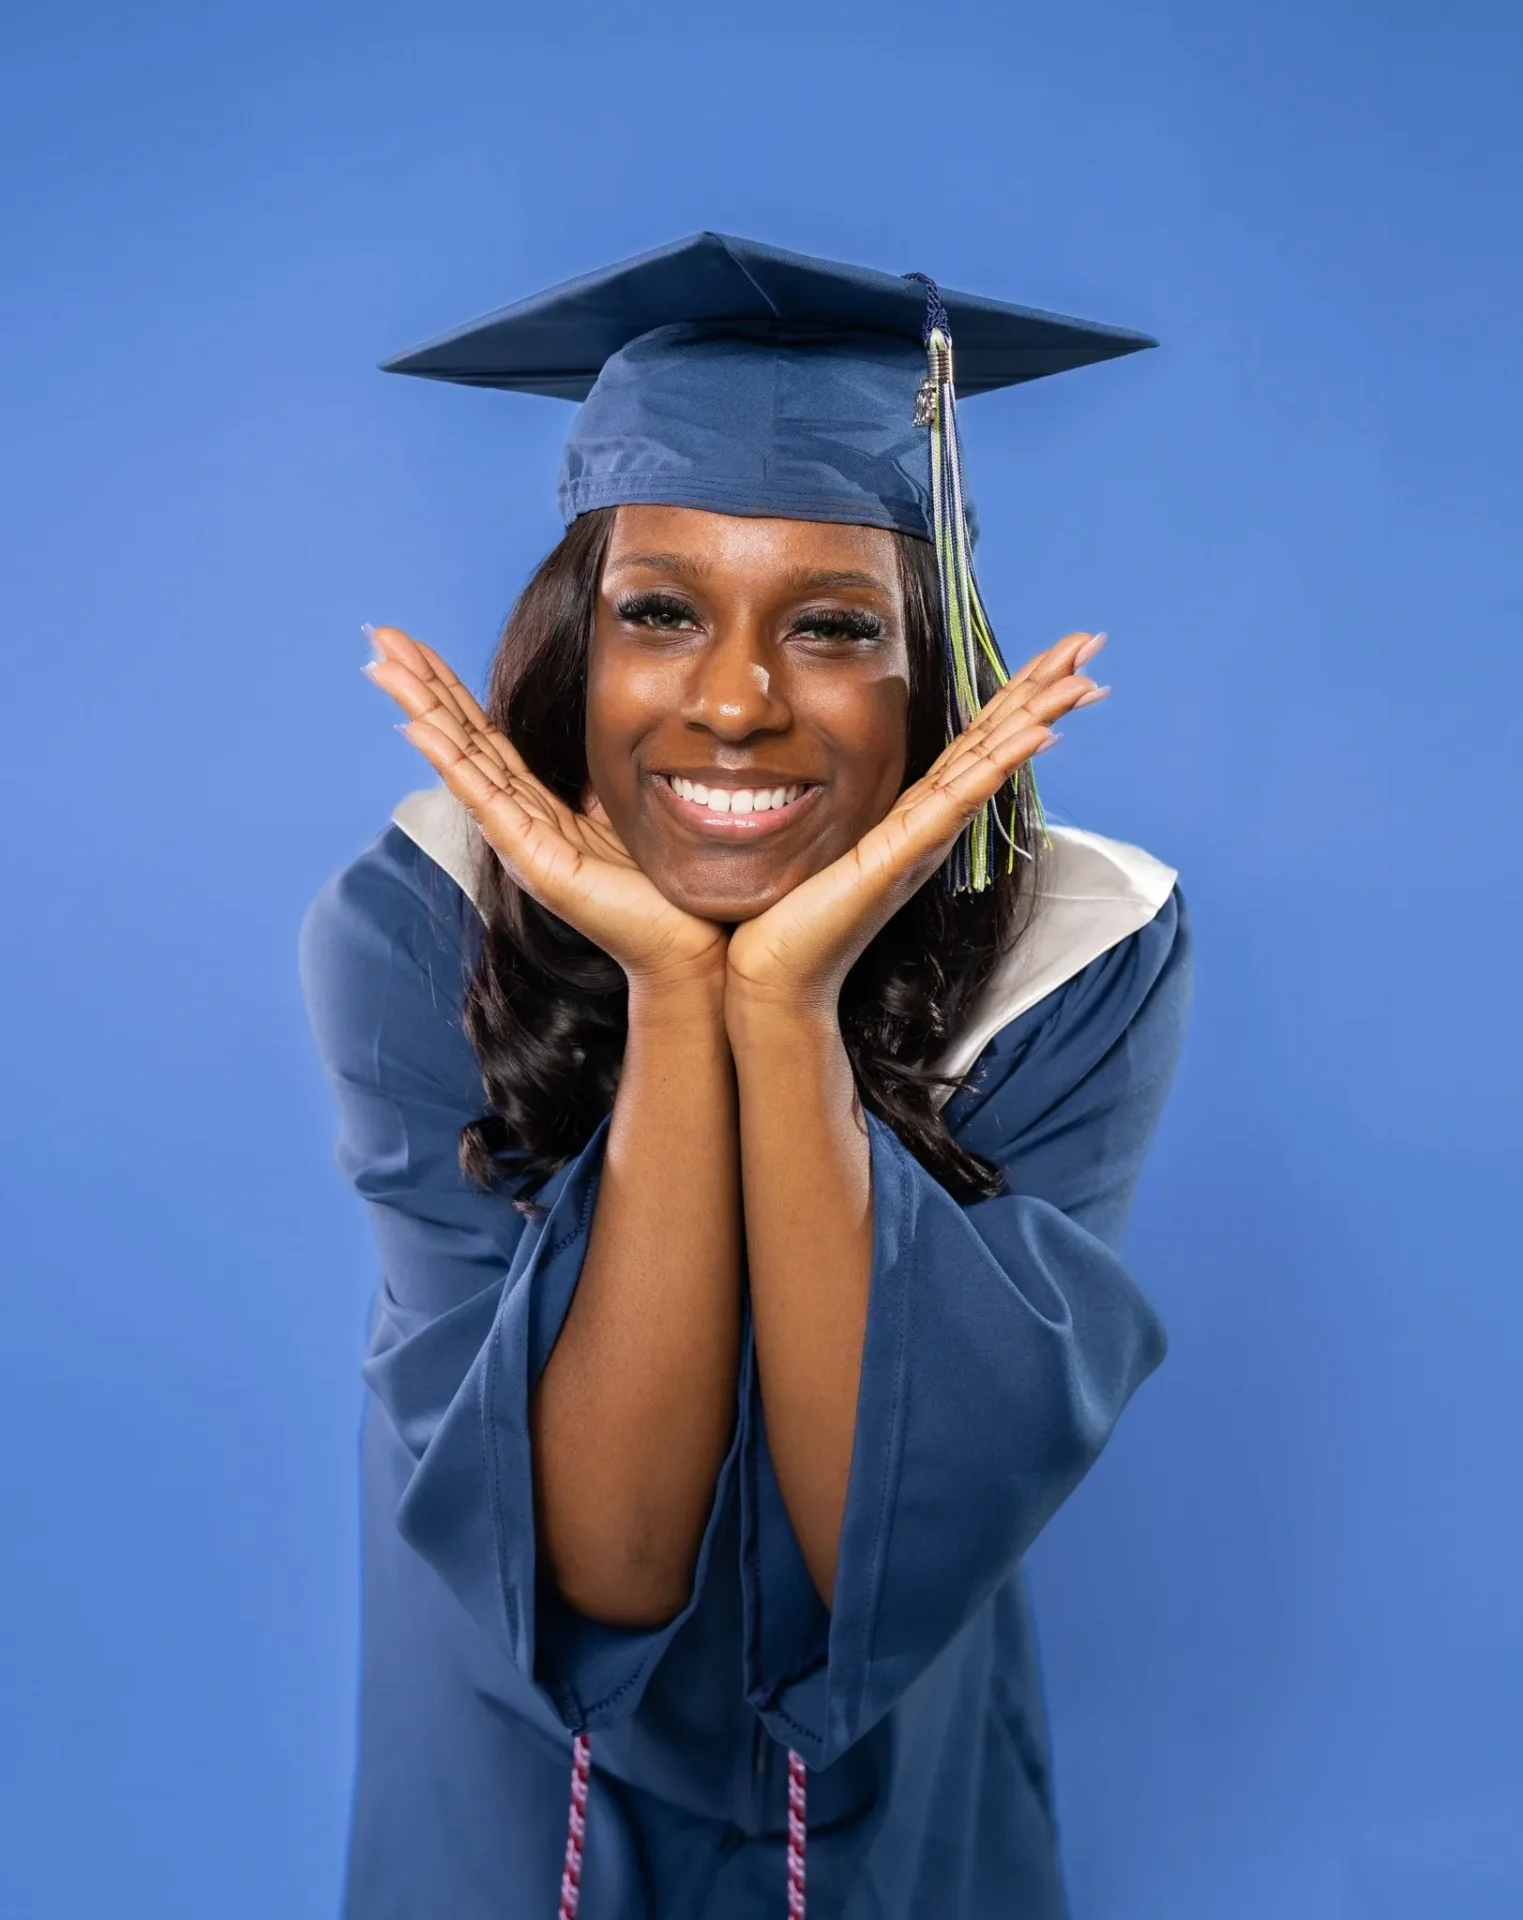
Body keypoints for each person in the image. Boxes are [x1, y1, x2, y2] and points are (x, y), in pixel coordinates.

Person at [299, 233, 1193, 1920]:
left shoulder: (1082, 948)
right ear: (580, 647)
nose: (731, 702)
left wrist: (775, 1009)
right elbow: (609, 1571)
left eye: (834, 624)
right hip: (509, 1763)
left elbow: (879, 1542)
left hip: (890, 1790)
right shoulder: (415, 923)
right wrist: (661, 982)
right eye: (660, 612)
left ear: (932, 667)